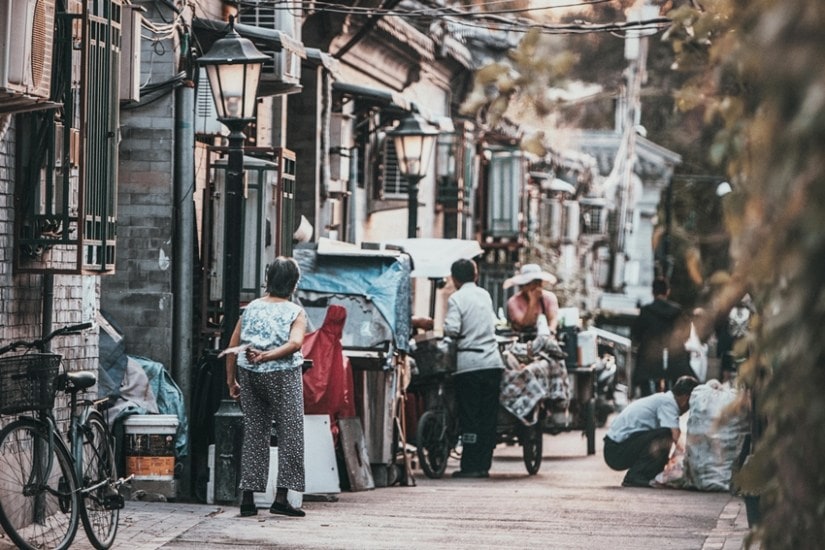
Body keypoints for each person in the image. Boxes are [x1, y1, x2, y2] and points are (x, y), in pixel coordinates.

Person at [224, 257, 308, 517]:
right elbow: (295, 344)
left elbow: (233, 346)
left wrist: (231, 381)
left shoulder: (251, 308)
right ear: (293, 284)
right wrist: (268, 356)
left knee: (255, 434)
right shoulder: (295, 311)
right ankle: (281, 498)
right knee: (290, 433)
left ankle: (247, 499)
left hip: (249, 376)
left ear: (268, 280)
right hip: (283, 375)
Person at [443, 259, 505, 478]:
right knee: (488, 416)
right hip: (493, 363)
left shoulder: (456, 299)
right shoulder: (485, 295)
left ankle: (469, 466)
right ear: (476, 275)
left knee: (470, 416)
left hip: (470, 365)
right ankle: (483, 466)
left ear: (455, 278)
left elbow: (452, 329)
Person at [603, 375, 700, 487]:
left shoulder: (663, 399)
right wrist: (689, 459)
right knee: (664, 435)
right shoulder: (668, 403)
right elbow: (676, 436)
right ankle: (635, 476)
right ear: (686, 398)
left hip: (618, 447)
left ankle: (649, 475)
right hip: (615, 451)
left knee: (661, 440)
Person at [631, 277, 691, 397]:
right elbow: (686, 332)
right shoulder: (677, 311)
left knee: (647, 392)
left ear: (652, 292)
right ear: (667, 291)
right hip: (674, 357)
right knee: (674, 390)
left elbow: (636, 333)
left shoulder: (646, 311)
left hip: (650, 358)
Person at [504, 264, 560, 338]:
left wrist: (551, 331)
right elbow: (524, 324)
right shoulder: (513, 301)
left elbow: (553, 319)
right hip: (521, 340)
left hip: (544, 338)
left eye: (537, 283)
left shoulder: (549, 298)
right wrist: (533, 301)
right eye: (530, 284)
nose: (534, 286)